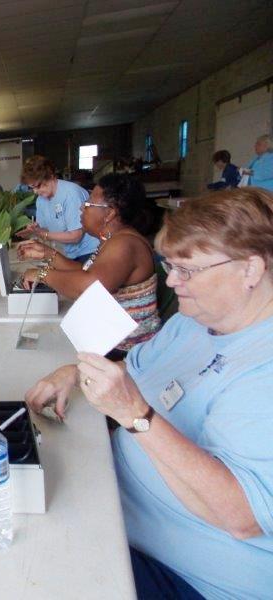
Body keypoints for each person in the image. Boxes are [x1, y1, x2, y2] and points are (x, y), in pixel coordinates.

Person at [24, 187, 273, 600]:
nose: (171, 281)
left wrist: (137, 416)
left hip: (186, 576)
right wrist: (74, 372)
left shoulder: (263, 369)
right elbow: (137, 368)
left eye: (187, 270)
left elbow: (240, 516)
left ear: (251, 269)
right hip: (117, 512)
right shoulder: (194, 321)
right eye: (170, 266)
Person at [19, 174, 161, 357]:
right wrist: (48, 254)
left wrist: (43, 274)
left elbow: (90, 287)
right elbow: (86, 272)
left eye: (87, 204)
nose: (81, 208)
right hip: (110, 343)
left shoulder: (124, 244)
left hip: (126, 353)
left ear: (109, 213)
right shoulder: (112, 239)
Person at [17, 155, 99, 262]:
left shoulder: (71, 194)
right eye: (32, 187)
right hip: (70, 253)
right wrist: (35, 230)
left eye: (38, 186)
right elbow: (45, 230)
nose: (35, 192)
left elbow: (75, 236)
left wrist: (44, 234)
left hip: (91, 251)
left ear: (51, 176)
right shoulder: (41, 201)